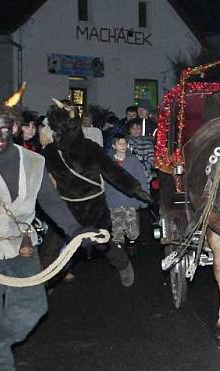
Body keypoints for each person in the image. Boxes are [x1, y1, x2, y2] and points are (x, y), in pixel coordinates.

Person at [0, 98, 88, 371]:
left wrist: (76, 230)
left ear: (15, 129)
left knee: (34, 307)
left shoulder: (34, 163)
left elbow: (50, 201)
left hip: (20, 246)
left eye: (4, 128)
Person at [42, 102, 151, 287]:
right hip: (66, 207)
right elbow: (41, 180)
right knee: (51, 247)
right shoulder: (50, 152)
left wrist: (135, 189)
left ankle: (123, 264)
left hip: (94, 207)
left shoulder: (90, 147)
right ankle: (40, 283)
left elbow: (112, 171)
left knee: (104, 242)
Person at [105, 135, 149, 254]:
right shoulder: (108, 163)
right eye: (120, 144)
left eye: (125, 143)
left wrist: (144, 197)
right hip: (114, 200)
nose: (123, 146)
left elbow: (141, 178)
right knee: (117, 229)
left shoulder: (133, 160)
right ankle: (119, 251)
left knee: (132, 230)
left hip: (130, 200)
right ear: (114, 146)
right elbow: (102, 181)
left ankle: (131, 243)